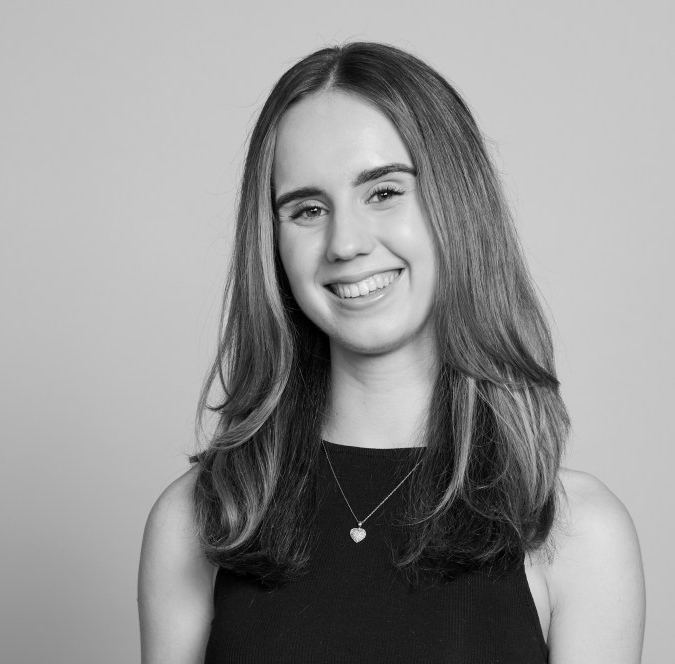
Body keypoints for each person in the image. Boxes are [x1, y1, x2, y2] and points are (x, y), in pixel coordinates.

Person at [138, 42, 645, 663]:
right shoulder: (201, 521)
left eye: (383, 192)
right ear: (272, 246)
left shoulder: (577, 533)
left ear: (457, 207)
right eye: (307, 209)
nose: (345, 243)